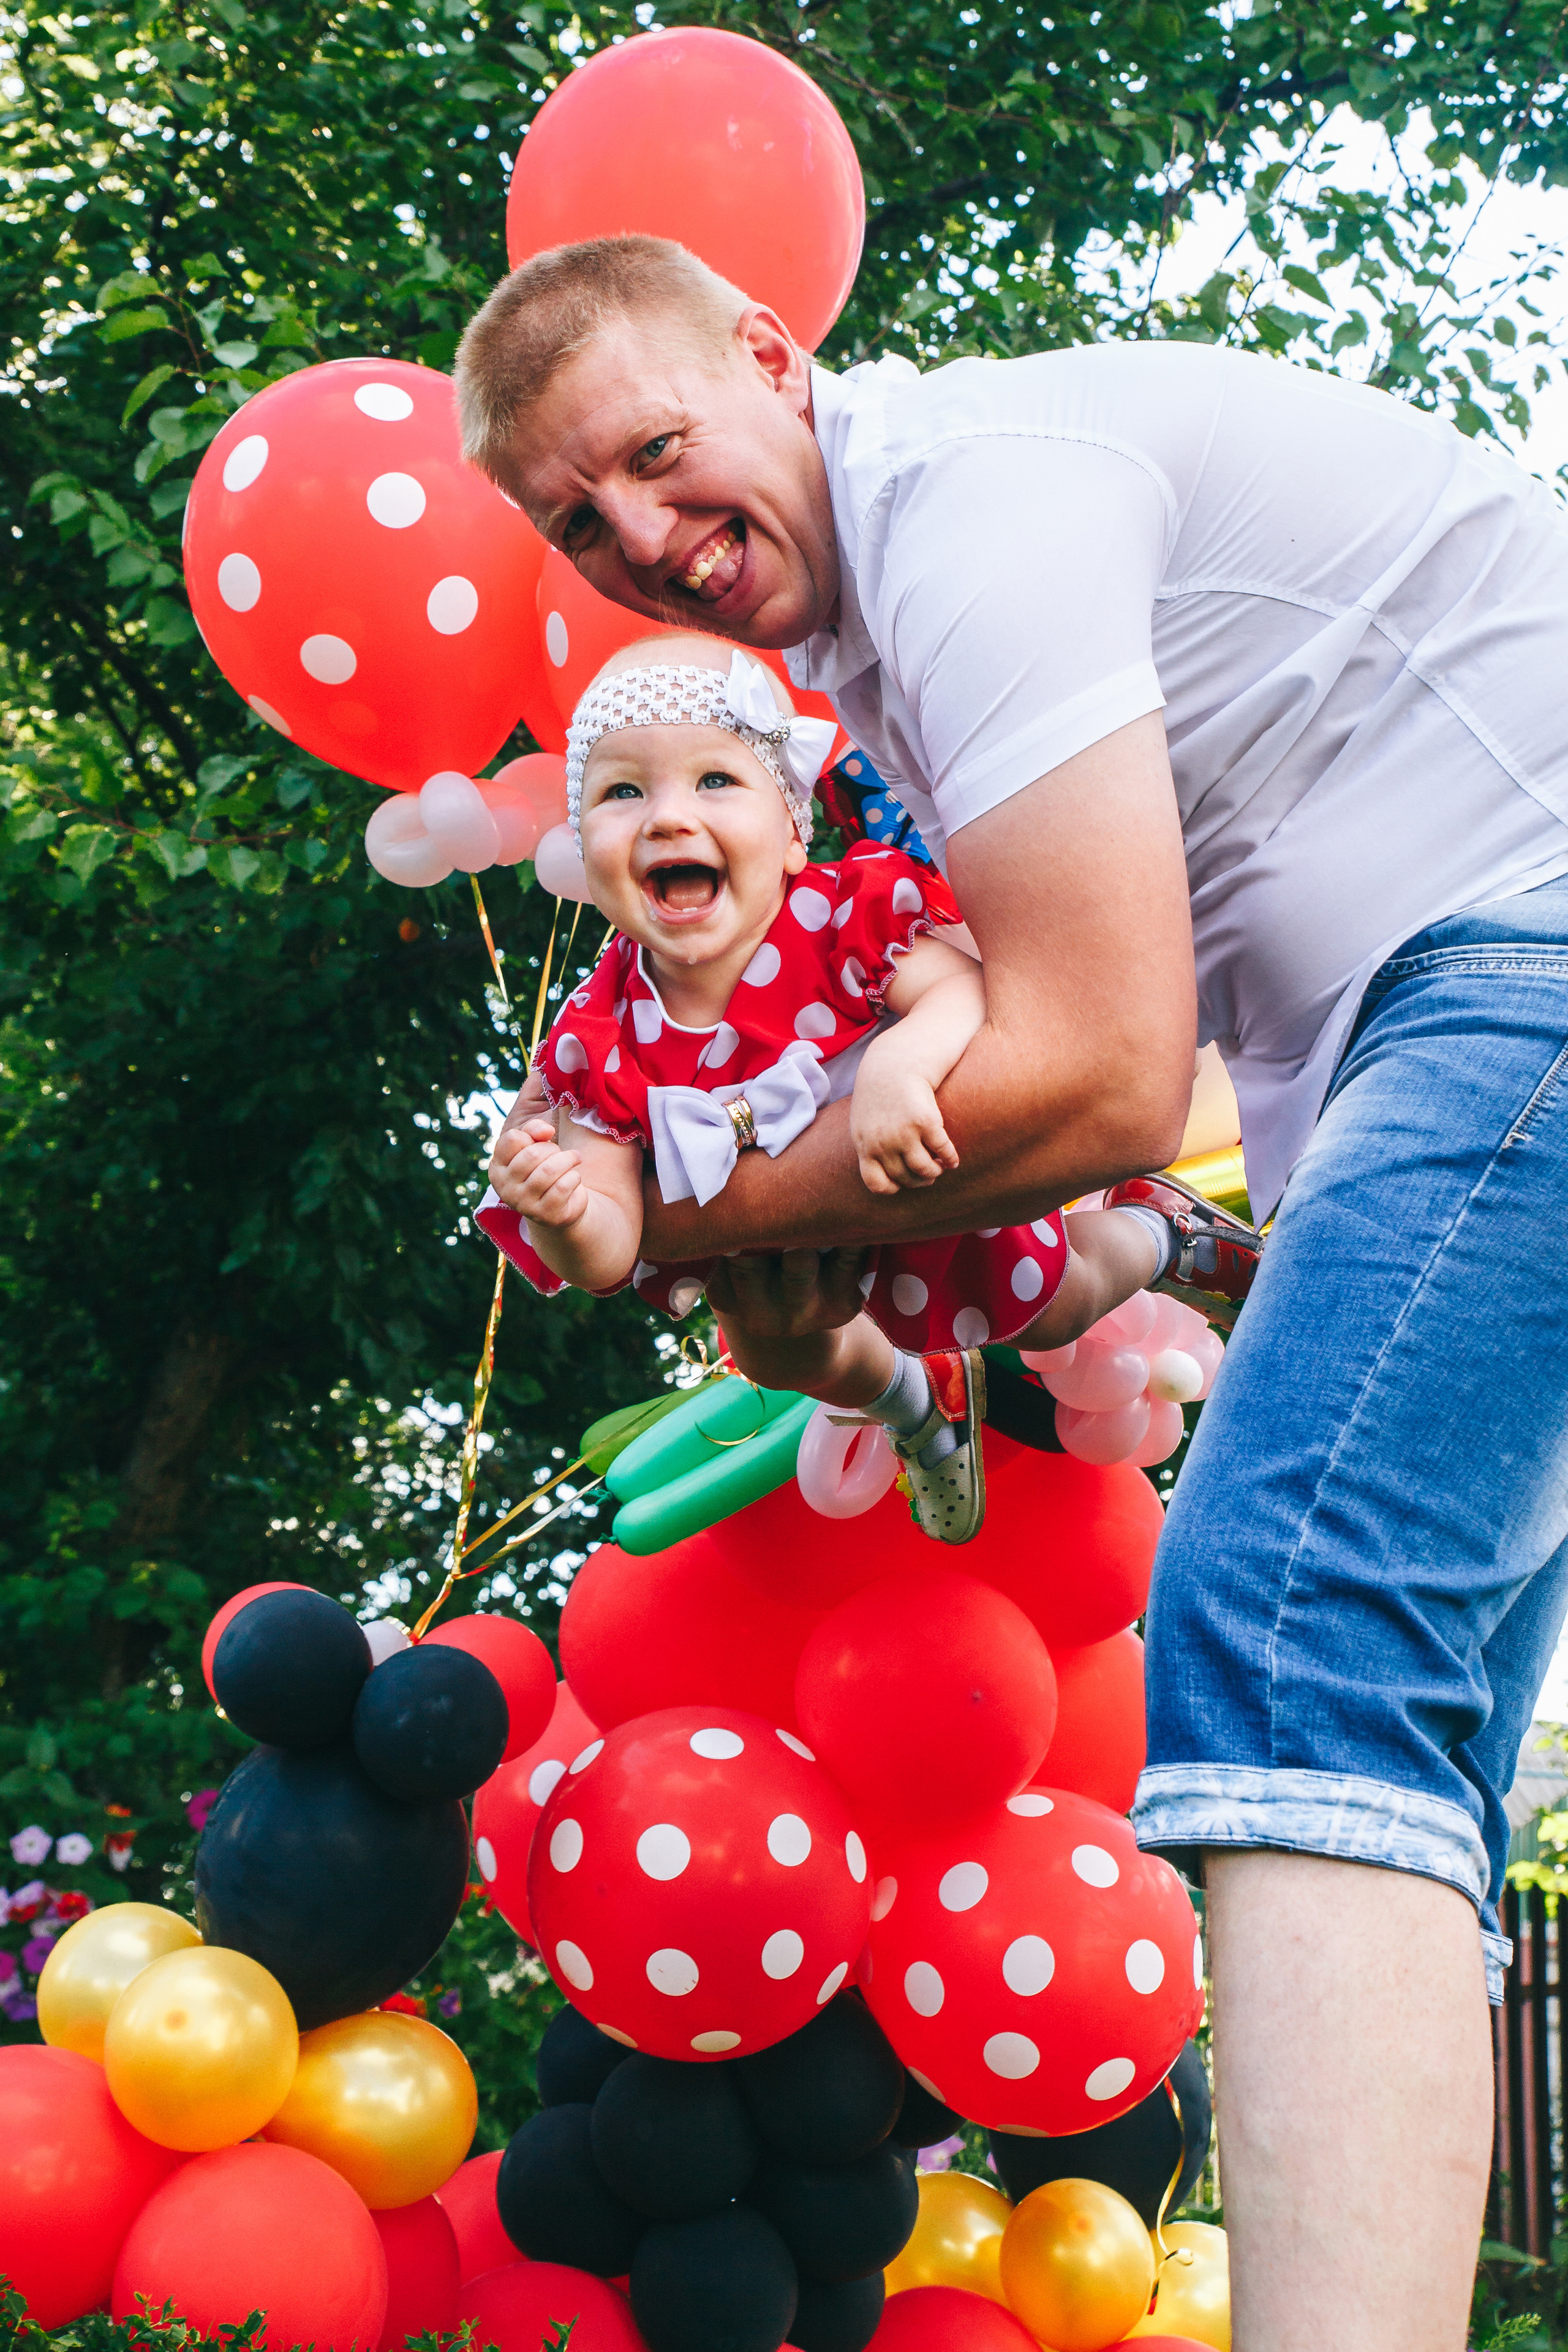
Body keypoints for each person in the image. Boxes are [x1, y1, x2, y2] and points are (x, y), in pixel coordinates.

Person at [455, 234, 1568, 2350]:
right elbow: (1044, 1150)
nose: (647, 542)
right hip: (1449, 1041)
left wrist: (661, 1223)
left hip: (1530, 961)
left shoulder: (973, 505)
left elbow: (1091, 1070)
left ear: (778, 359)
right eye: (580, 525)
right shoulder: (875, 689)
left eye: (663, 457)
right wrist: (846, 1323)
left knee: (1295, 1624)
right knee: (1395, 1742)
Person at [480, 628, 1260, 1541]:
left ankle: (1153, 1232)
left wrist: (899, 1063)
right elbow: (612, 1247)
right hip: (784, 1257)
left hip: (927, 1170)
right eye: (623, 792)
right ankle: (911, 1403)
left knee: (1054, 1307)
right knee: (773, 1351)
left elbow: (964, 989)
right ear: (586, 849)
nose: (667, 817)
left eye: (715, 780)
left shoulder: (841, 912)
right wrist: (563, 1213)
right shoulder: (595, 1033)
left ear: (792, 826)